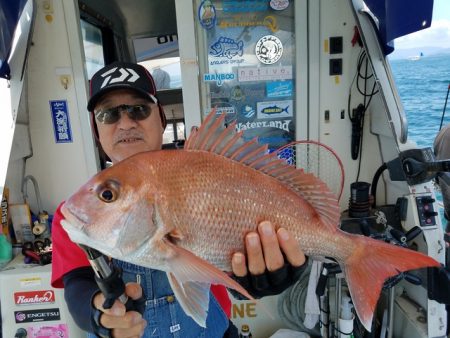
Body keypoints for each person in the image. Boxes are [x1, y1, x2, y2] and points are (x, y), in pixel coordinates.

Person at [51, 61, 307, 338]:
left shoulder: (206, 169)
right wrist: (98, 314)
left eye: (138, 109)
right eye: (108, 114)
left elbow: (233, 282)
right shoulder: (79, 212)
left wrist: (259, 279)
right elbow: (76, 284)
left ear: (161, 120)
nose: (125, 123)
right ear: (97, 132)